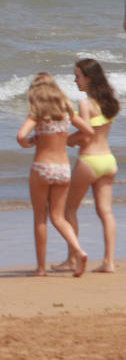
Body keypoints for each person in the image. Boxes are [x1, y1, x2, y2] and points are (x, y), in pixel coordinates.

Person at [16, 73, 92, 276]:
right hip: (63, 169)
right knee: (58, 217)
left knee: (40, 217)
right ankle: (78, 250)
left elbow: (21, 136)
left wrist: (29, 142)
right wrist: (69, 139)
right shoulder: (67, 112)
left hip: (42, 167)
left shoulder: (37, 114)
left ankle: (41, 268)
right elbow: (88, 132)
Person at [60, 58, 117, 273]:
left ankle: (72, 259)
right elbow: (97, 130)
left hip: (90, 160)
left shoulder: (85, 104)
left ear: (89, 78)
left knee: (68, 210)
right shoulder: (110, 102)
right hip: (108, 160)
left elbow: (85, 135)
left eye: (78, 76)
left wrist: (66, 140)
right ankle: (109, 262)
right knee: (106, 212)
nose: (75, 80)